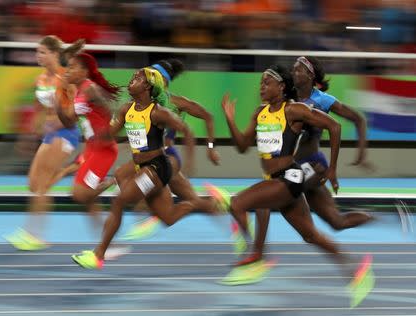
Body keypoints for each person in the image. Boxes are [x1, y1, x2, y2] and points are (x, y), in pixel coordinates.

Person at [206, 65, 374, 307]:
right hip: (277, 181)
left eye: (267, 83)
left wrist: (333, 168)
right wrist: (230, 119)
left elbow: (334, 127)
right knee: (311, 235)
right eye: (260, 83)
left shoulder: (293, 110)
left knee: (237, 203)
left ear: (281, 87)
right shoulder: (259, 113)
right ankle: (357, 271)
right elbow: (242, 146)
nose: (261, 87)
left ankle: (256, 258)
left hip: (289, 178)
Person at [240, 56, 375, 270]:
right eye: (292, 69)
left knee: (265, 197)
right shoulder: (288, 100)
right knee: (336, 222)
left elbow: (357, 119)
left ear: (310, 76)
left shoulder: (322, 100)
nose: (293, 72)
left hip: (313, 165)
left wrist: (359, 155)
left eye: (298, 69)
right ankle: (372, 221)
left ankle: (257, 254)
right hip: (292, 168)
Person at [71, 66, 201, 268]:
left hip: (158, 167)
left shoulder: (159, 113)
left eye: (138, 78)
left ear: (147, 86)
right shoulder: (126, 110)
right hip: (142, 167)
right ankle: (203, 203)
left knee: (119, 202)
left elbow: (187, 130)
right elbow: (108, 135)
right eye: (133, 76)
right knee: (168, 217)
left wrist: (191, 165)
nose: (132, 79)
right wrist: (94, 115)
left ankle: (98, 256)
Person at [120, 59, 221, 240]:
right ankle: (222, 205)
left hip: (168, 158)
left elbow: (208, 117)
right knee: (192, 200)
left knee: (135, 181)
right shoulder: (139, 104)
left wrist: (210, 148)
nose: (147, 79)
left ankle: (145, 218)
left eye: (152, 76)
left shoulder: (176, 102)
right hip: (153, 160)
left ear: (162, 81)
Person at [5, 36, 84, 250]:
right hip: (49, 135)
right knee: (33, 184)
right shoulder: (40, 80)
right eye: (37, 52)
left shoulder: (65, 79)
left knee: (41, 185)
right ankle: (73, 167)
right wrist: (29, 135)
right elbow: (38, 109)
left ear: (54, 54)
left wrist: (57, 123)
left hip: (66, 133)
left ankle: (34, 235)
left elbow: (74, 114)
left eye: (42, 52)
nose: (38, 56)